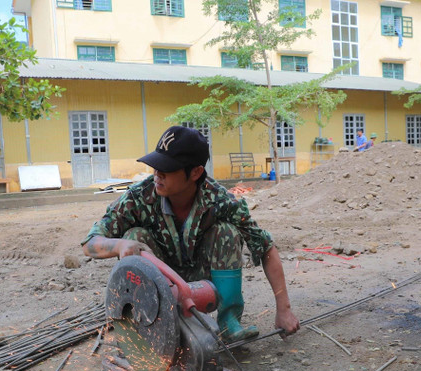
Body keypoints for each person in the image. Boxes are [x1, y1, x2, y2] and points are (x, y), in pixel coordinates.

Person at [82, 125, 301, 342]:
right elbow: (90, 242)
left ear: (195, 172)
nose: (157, 174)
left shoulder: (220, 200)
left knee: (226, 232)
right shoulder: (139, 197)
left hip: (202, 283)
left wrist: (284, 309)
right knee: (134, 237)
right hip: (159, 279)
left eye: (166, 169)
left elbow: (265, 246)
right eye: (156, 166)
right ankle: (148, 326)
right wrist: (119, 246)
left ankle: (228, 323)